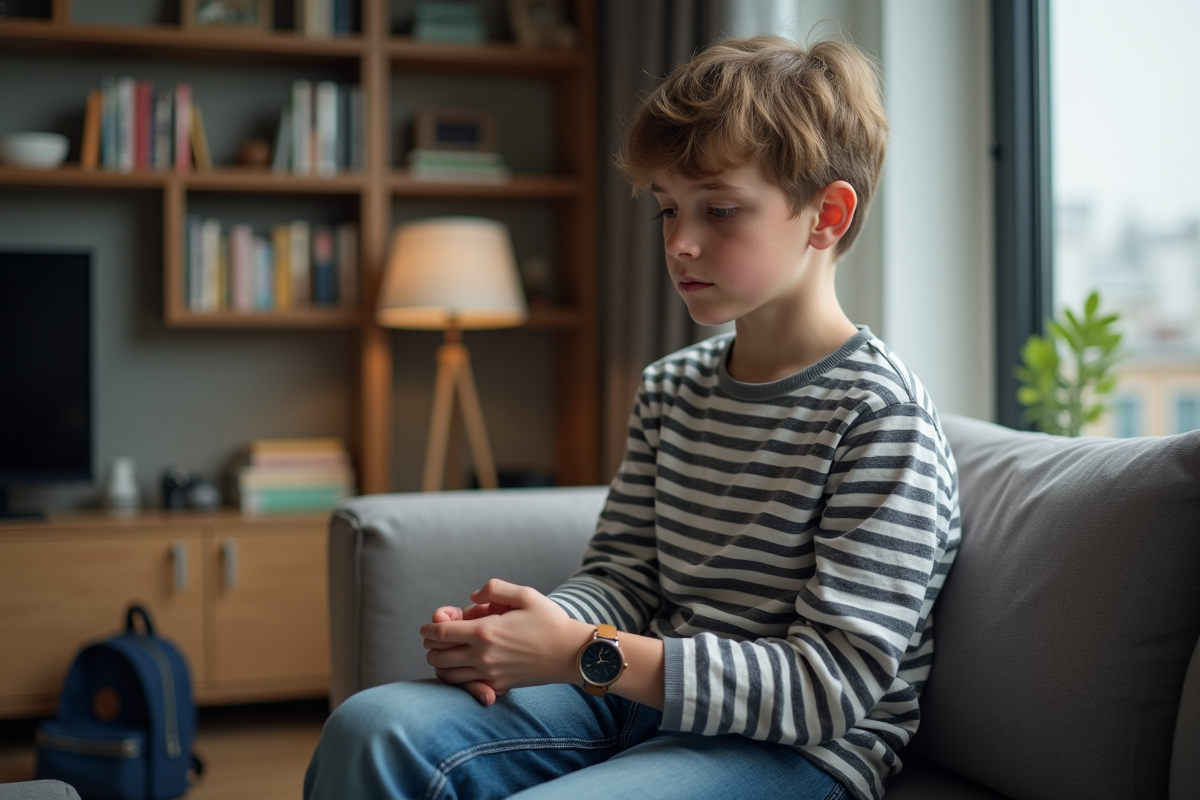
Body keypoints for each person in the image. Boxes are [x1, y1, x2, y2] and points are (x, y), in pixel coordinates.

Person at [304, 34, 960, 800]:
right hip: (640, 701)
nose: (680, 242)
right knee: (368, 729)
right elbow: (625, 575)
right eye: (667, 209)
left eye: (719, 210)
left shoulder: (882, 420)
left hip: (799, 753)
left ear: (827, 215)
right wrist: (531, 626)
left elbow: (826, 689)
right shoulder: (672, 389)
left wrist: (582, 652)